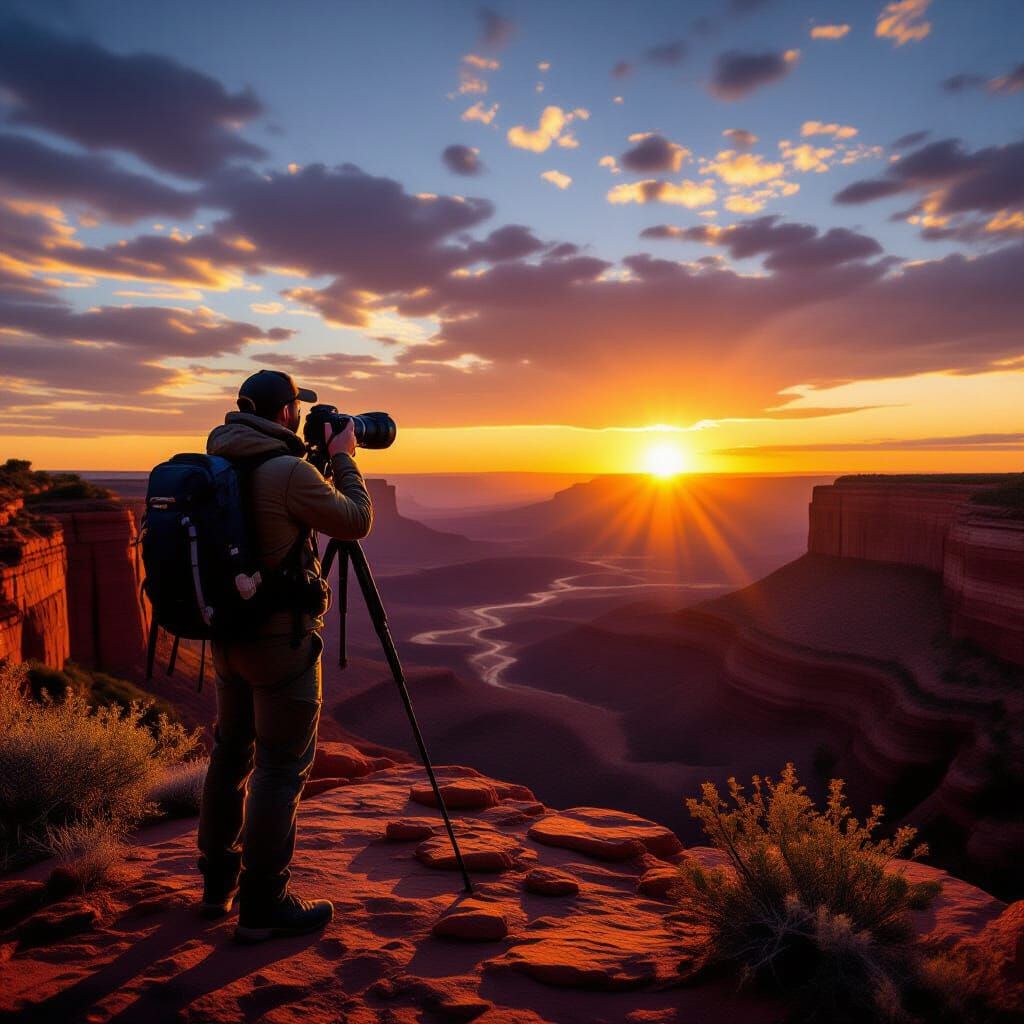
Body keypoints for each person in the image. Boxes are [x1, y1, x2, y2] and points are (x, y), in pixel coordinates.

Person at [196, 369, 373, 943]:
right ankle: (264, 902)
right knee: (278, 766)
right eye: (297, 407)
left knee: (230, 756)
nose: (300, 416)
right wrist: (344, 457)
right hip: (279, 640)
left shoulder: (218, 463)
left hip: (226, 637)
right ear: (284, 412)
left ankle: (216, 884)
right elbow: (355, 520)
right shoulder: (287, 470)